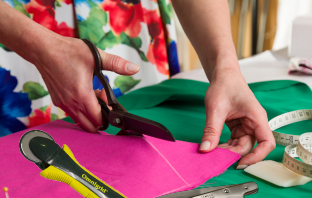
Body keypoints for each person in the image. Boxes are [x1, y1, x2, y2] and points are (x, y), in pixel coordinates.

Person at [0, 0, 275, 169]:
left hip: (130, 33)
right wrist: (40, 49)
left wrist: (226, 69)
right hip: (16, 38)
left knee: (139, 165)